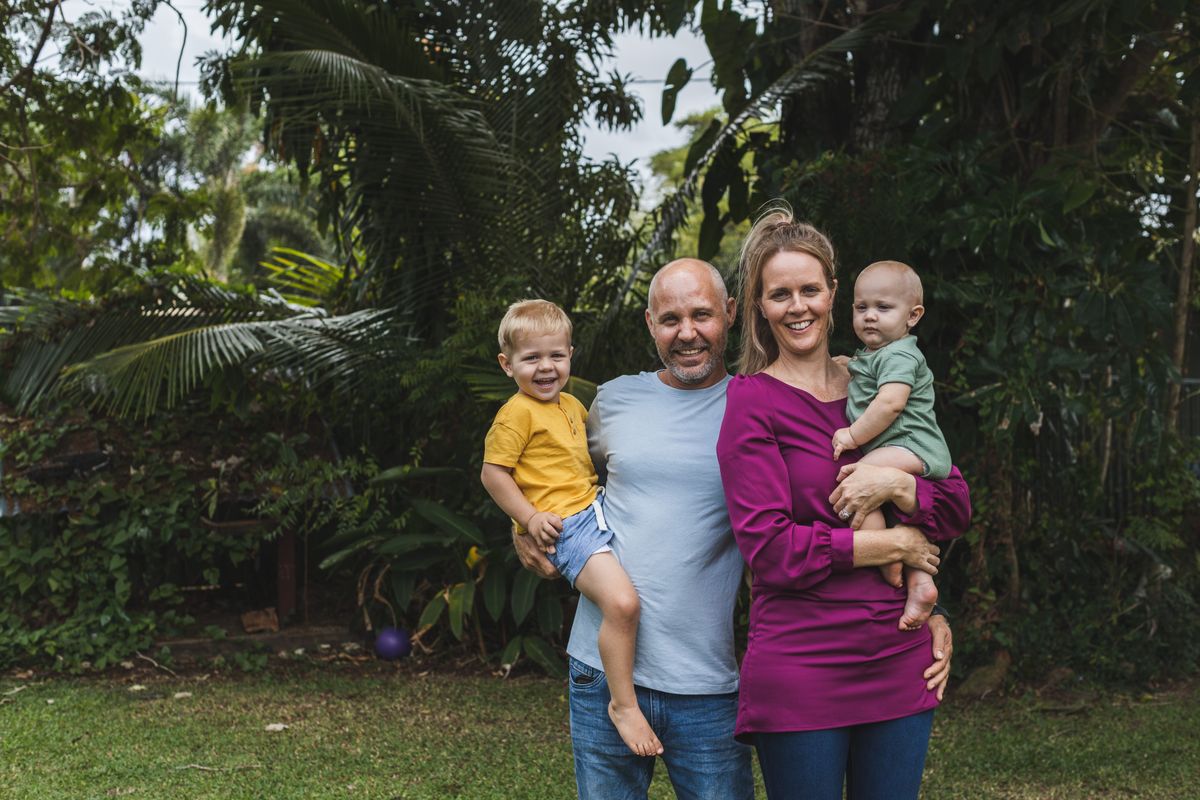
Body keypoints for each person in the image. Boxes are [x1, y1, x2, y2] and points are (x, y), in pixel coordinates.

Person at [512, 259, 956, 800]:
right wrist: (522, 523)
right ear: (650, 324)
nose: (688, 332)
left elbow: (860, 497)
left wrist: (921, 602)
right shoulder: (612, 400)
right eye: (670, 319)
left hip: (709, 680)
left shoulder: (762, 400)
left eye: (702, 314)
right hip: (603, 669)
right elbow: (553, 471)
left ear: (728, 313)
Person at [716, 207, 972, 800]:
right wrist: (895, 543)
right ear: (759, 306)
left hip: (898, 652)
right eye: (780, 294)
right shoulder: (751, 402)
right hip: (801, 662)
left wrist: (896, 487)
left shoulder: (884, 385)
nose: (798, 305)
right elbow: (770, 550)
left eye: (810, 289)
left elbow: (955, 505)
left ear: (834, 293)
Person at [480, 299, 662, 757]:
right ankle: (622, 704)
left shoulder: (574, 404)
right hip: (567, 526)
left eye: (556, 356)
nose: (546, 367)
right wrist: (527, 519)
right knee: (622, 603)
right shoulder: (515, 413)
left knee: (630, 593)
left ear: (570, 355)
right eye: (531, 358)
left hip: (594, 509)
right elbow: (494, 473)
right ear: (507, 365)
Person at [830, 259, 952, 631]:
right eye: (861, 307)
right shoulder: (879, 354)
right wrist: (849, 364)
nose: (870, 316)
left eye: (883, 308)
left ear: (913, 316)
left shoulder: (901, 353)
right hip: (901, 445)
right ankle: (920, 581)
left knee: (857, 479)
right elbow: (871, 375)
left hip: (911, 444)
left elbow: (890, 402)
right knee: (866, 489)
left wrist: (852, 436)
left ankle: (886, 552)